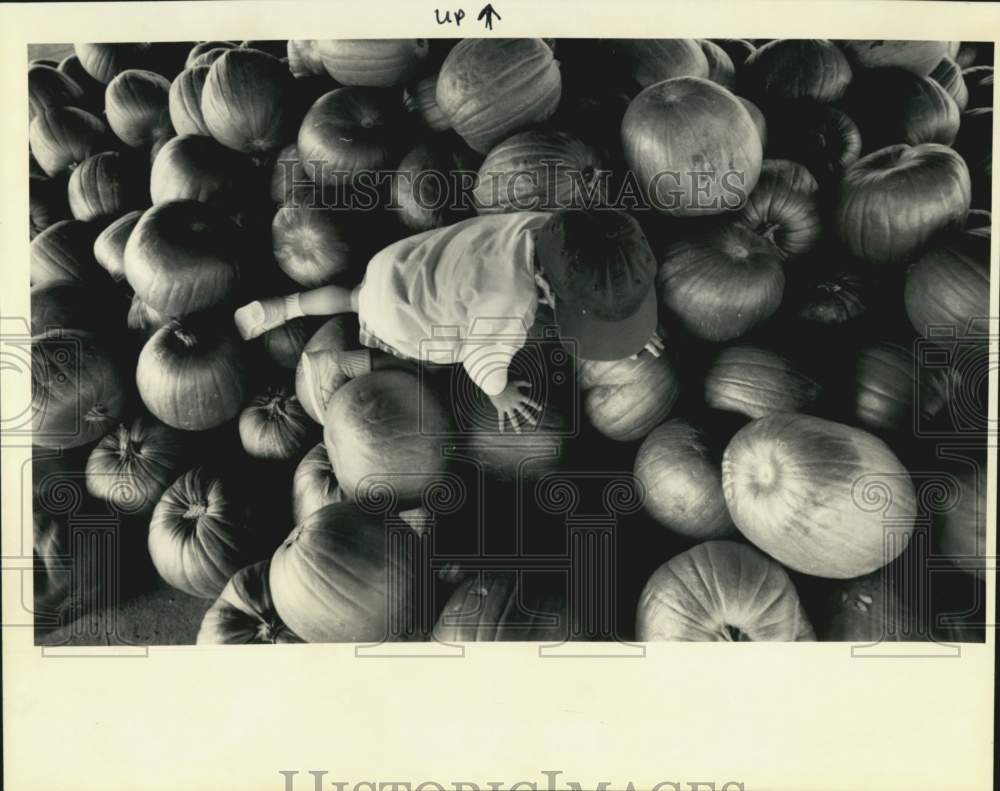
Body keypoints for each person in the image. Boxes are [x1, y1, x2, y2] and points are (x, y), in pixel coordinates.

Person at [234, 209, 663, 431]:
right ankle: (340, 364)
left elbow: (596, 268)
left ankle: (283, 307)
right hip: (407, 320)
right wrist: (502, 394)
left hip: (397, 267)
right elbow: (482, 364)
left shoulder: (550, 228)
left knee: (351, 297)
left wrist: (620, 322)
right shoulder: (509, 307)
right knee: (432, 367)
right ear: (548, 291)